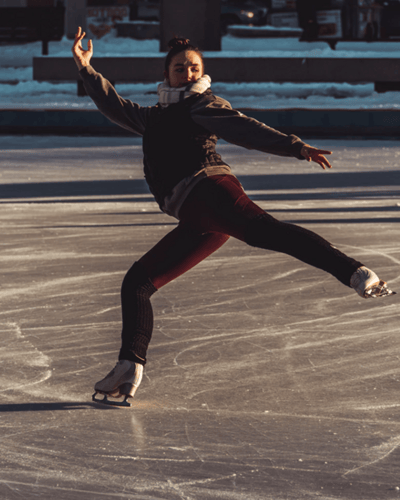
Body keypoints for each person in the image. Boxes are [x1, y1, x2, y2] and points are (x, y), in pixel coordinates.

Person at [71, 27, 395, 407]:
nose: (187, 74)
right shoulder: (153, 117)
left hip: (209, 191)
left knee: (267, 232)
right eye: (180, 69)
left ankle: (356, 273)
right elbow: (114, 105)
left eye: (193, 68)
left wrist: (296, 147)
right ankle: (129, 366)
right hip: (197, 216)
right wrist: (85, 68)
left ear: (202, 73)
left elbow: (245, 128)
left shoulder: (202, 106)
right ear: (167, 75)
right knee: (138, 283)